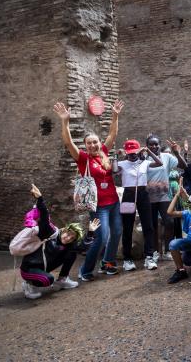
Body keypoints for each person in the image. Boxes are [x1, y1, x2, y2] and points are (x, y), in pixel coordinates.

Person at [53, 100, 123, 280]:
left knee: (116, 233)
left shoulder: (105, 151)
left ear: (99, 143)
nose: (92, 145)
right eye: (89, 143)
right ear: (85, 146)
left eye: (95, 142)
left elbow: (113, 134)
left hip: (114, 201)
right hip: (98, 206)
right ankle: (85, 271)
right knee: (101, 237)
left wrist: (115, 115)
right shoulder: (83, 158)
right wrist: (65, 121)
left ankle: (107, 263)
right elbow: (68, 143)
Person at [20, 184, 99, 299]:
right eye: (68, 234)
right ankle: (28, 284)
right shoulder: (50, 233)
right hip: (29, 268)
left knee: (72, 253)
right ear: (65, 229)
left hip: (43, 267)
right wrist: (40, 198)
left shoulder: (69, 244)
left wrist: (91, 232)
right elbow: (45, 218)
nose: (68, 238)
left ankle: (63, 279)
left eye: (72, 238)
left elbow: (82, 248)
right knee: (48, 280)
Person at [118, 139, 162, 272]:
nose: (133, 155)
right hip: (128, 195)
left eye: (135, 152)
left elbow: (159, 163)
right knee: (127, 227)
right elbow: (113, 170)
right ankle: (127, 258)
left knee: (148, 226)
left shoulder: (145, 162)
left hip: (143, 194)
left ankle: (149, 257)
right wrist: (116, 156)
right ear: (126, 152)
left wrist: (148, 151)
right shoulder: (122, 163)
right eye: (130, 153)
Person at [145, 134, 178, 261]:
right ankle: (155, 251)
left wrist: (177, 152)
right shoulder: (143, 159)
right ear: (146, 146)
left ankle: (168, 250)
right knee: (152, 225)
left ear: (160, 145)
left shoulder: (167, 157)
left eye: (156, 144)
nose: (154, 146)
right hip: (149, 197)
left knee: (169, 222)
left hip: (164, 196)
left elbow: (183, 165)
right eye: (151, 144)